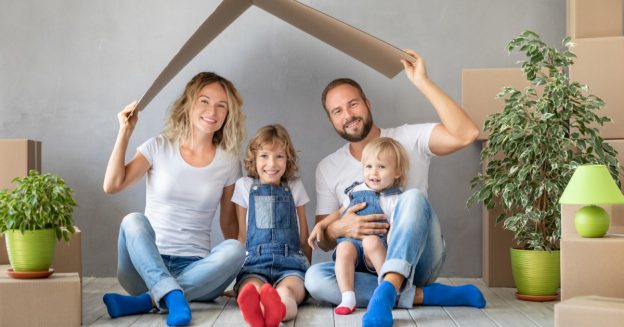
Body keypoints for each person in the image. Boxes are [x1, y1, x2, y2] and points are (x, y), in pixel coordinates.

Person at [304, 49, 486, 327]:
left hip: (421, 259)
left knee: (411, 197)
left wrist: (422, 82)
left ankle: (389, 291)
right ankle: (416, 295)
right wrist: (341, 228)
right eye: (337, 111)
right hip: (367, 262)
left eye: (353, 104)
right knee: (315, 279)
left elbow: (467, 133)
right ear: (331, 120)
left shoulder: (408, 138)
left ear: (368, 104)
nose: (348, 115)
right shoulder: (328, 167)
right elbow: (325, 239)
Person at [102, 72, 247, 326]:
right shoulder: (159, 146)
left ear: (228, 114)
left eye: (221, 105)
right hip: (144, 268)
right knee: (133, 220)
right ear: (188, 104)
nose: (212, 111)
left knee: (236, 249)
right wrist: (125, 131)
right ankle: (168, 295)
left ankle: (150, 300)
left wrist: (234, 269)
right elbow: (112, 185)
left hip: (196, 271)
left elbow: (229, 226)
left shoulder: (228, 162)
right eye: (204, 101)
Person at [308, 137, 409, 315]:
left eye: (382, 167)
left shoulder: (394, 199)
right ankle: (348, 296)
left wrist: (392, 241)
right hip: (354, 250)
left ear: (397, 172)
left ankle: (385, 290)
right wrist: (321, 225)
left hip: (377, 251)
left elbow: (396, 226)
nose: (374, 173)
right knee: (344, 247)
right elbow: (339, 212)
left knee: (371, 241)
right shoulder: (356, 190)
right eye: (368, 166)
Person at [232, 124, 312, 327]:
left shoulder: (294, 186)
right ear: (254, 159)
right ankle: (257, 310)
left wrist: (307, 271)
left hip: (291, 263)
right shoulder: (244, 186)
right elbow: (242, 236)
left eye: (279, 156)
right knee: (250, 288)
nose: (271, 164)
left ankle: (279, 310)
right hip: (254, 263)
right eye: (264, 156)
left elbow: (304, 236)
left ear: (288, 159)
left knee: (288, 293)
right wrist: (235, 277)